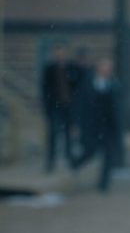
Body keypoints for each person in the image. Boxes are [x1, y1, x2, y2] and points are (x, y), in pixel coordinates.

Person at [71, 58, 121, 192]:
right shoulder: (88, 84)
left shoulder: (113, 85)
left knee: (109, 154)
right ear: (99, 68)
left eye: (109, 69)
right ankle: (75, 163)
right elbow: (79, 104)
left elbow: (115, 108)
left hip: (107, 126)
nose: (108, 71)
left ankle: (104, 184)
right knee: (90, 151)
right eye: (105, 68)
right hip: (91, 126)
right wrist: (76, 123)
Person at [41, 44, 76, 172]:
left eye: (62, 52)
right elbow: (45, 88)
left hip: (68, 106)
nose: (60, 55)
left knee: (68, 134)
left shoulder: (71, 67)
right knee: (53, 133)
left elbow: (76, 85)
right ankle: (51, 161)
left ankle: (70, 159)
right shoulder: (49, 69)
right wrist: (47, 104)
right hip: (54, 106)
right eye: (58, 52)